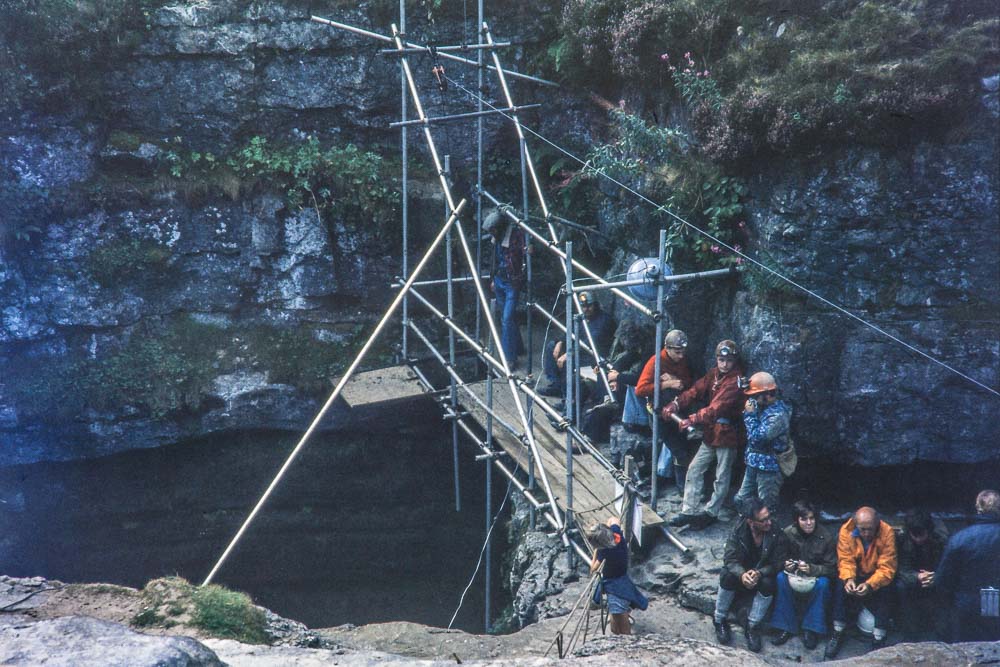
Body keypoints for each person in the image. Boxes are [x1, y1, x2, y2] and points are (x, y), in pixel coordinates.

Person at [664, 339, 745, 529]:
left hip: (728, 434)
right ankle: (688, 510)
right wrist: (676, 403)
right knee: (694, 468)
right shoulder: (713, 374)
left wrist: (692, 419)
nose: (724, 364)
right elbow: (695, 390)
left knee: (722, 475)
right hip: (711, 432)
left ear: (734, 361)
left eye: (728, 361)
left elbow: (717, 407)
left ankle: (711, 512)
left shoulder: (736, 381)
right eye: (721, 360)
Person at [713, 498, 787, 653]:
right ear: (750, 522)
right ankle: (719, 619)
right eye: (763, 520)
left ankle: (752, 626)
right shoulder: (738, 530)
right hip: (743, 575)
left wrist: (760, 573)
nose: (769, 522)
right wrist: (742, 574)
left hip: (760, 574)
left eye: (768, 517)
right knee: (726, 574)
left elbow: (779, 562)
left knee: (769, 583)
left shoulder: (775, 531)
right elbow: (730, 559)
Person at [825, 506, 897, 659]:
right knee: (840, 583)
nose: (866, 533)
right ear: (856, 525)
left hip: (876, 574)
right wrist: (849, 579)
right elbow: (845, 560)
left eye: (870, 529)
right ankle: (838, 630)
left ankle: (879, 637)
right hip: (856, 573)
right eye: (862, 529)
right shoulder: (846, 530)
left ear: (877, 523)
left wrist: (870, 585)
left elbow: (887, 567)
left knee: (887, 585)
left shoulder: (887, 532)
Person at [934, 489, 1000, 642]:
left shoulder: (960, 539)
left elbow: (943, 580)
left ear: (978, 509)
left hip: (967, 608)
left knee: (966, 654)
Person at [771, 500, 837, 649]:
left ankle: (811, 629)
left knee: (824, 584)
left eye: (812, 518)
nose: (809, 523)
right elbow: (777, 559)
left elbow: (832, 569)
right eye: (804, 519)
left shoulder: (826, 537)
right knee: (780, 578)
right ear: (796, 520)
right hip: (794, 575)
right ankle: (785, 626)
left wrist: (813, 569)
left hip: (815, 577)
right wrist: (785, 565)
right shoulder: (787, 533)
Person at [634, 329, 694, 490]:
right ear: (667, 348)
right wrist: (665, 384)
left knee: (679, 446)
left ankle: (672, 480)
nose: (681, 355)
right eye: (677, 352)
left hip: (675, 409)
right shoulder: (656, 362)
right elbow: (640, 389)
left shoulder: (681, 361)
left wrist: (677, 381)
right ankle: (681, 486)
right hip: (658, 412)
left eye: (683, 352)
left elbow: (688, 380)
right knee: (676, 448)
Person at [589, 319, 652, 451]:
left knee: (606, 407)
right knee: (603, 372)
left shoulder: (648, 351)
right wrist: (614, 376)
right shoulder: (636, 348)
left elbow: (639, 379)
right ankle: (606, 399)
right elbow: (623, 361)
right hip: (626, 385)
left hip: (641, 391)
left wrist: (617, 377)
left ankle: (589, 436)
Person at [734, 372, 791, 513]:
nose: (752, 400)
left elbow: (758, 437)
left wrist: (750, 415)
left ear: (768, 395)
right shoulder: (762, 407)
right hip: (754, 461)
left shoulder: (778, 415)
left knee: (766, 507)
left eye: (755, 396)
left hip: (769, 466)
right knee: (741, 500)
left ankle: (768, 533)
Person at [542, 290, 614, 397]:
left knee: (569, 361)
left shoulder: (604, 320)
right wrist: (560, 342)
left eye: (589, 306)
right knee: (552, 346)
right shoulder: (582, 316)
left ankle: (568, 397)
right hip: (579, 350)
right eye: (583, 306)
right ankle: (556, 384)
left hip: (593, 355)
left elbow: (589, 343)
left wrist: (568, 354)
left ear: (595, 305)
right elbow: (569, 330)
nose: (586, 309)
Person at [587, 516, 648, 635]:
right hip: (622, 576)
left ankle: (624, 640)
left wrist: (596, 550)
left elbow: (593, 569)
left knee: (618, 616)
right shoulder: (616, 533)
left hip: (614, 584)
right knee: (619, 610)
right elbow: (613, 519)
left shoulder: (604, 552)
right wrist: (603, 531)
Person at [894, 509, 948, 641]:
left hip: (934, 576)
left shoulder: (941, 539)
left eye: (922, 535)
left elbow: (948, 565)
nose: (918, 539)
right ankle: (910, 634)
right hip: (913, 578)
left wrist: (936, 576)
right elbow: (899, 567)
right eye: (914, 535)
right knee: (901, 587)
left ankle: (941, 633)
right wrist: (917, 577)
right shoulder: (902, 540)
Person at [484, 208, 526, 368]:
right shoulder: (496, 239)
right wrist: (493, 278)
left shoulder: (516, 236)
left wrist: (528, 251)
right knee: (507, 316)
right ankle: (518, 347)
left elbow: (525, 250)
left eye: (493, 229)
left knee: (507, 318)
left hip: (512, 282)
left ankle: (510, 357)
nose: (492, 233)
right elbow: (495, 259)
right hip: (500, 279)